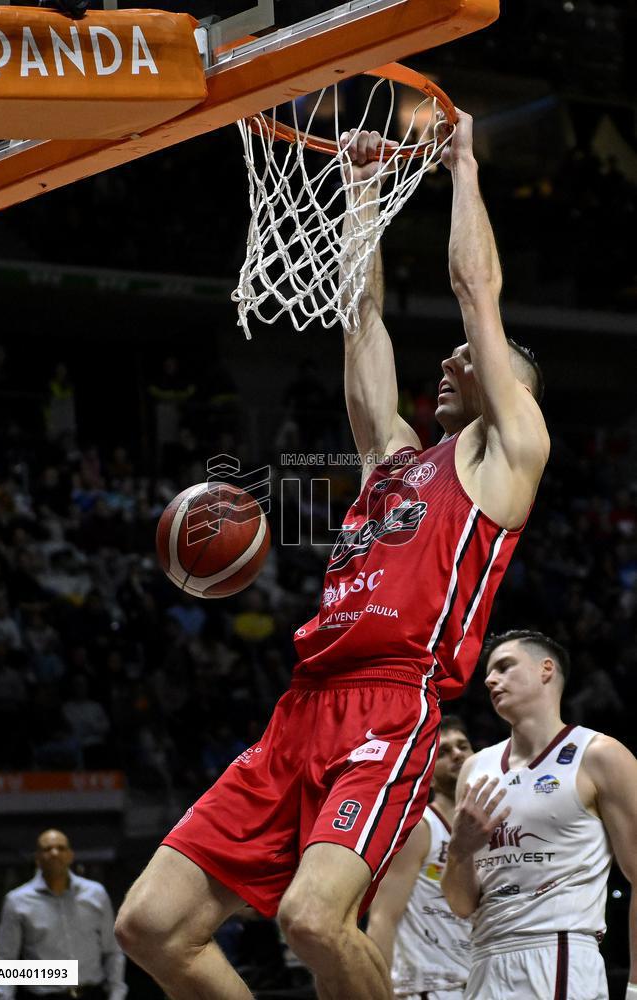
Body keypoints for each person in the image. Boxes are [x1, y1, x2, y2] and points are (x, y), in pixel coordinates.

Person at [115, 110, 550, 1000]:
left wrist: (463, 165)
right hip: (302, 708)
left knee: (313, 920)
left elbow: (477, 290)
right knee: (150, 925)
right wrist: (359, 191)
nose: (449, 365)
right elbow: (362, 323)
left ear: (513, 388)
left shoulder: (509, 455)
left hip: (390, 705)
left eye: (469, 361)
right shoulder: (395, 461)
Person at [441, 630, 637, 1000]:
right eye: (488, 672)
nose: (490, 679)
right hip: (483, 959)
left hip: (558, 953)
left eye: (504, 667)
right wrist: (459, 852)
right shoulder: (474, 768)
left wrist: (635, 986)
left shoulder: (600, 755)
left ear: (546, 669)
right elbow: (461, 904)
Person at [367, 716, 474, 999]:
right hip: (429, 987)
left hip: (482, 984)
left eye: (463, 746)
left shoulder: (492, 831)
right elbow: (382, 918)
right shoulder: (420, 827)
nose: (457, 754)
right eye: (444, 751)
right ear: (429, 773)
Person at [0, 829, 127, 1000]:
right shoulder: (17, 901)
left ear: (70, 855)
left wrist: (117, 994)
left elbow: (112, 950)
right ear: (37, 858)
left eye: (61, 848)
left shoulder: (95, 894)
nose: (54, 853)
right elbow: (4, 959)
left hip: (92, 993)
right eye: (47, 849)